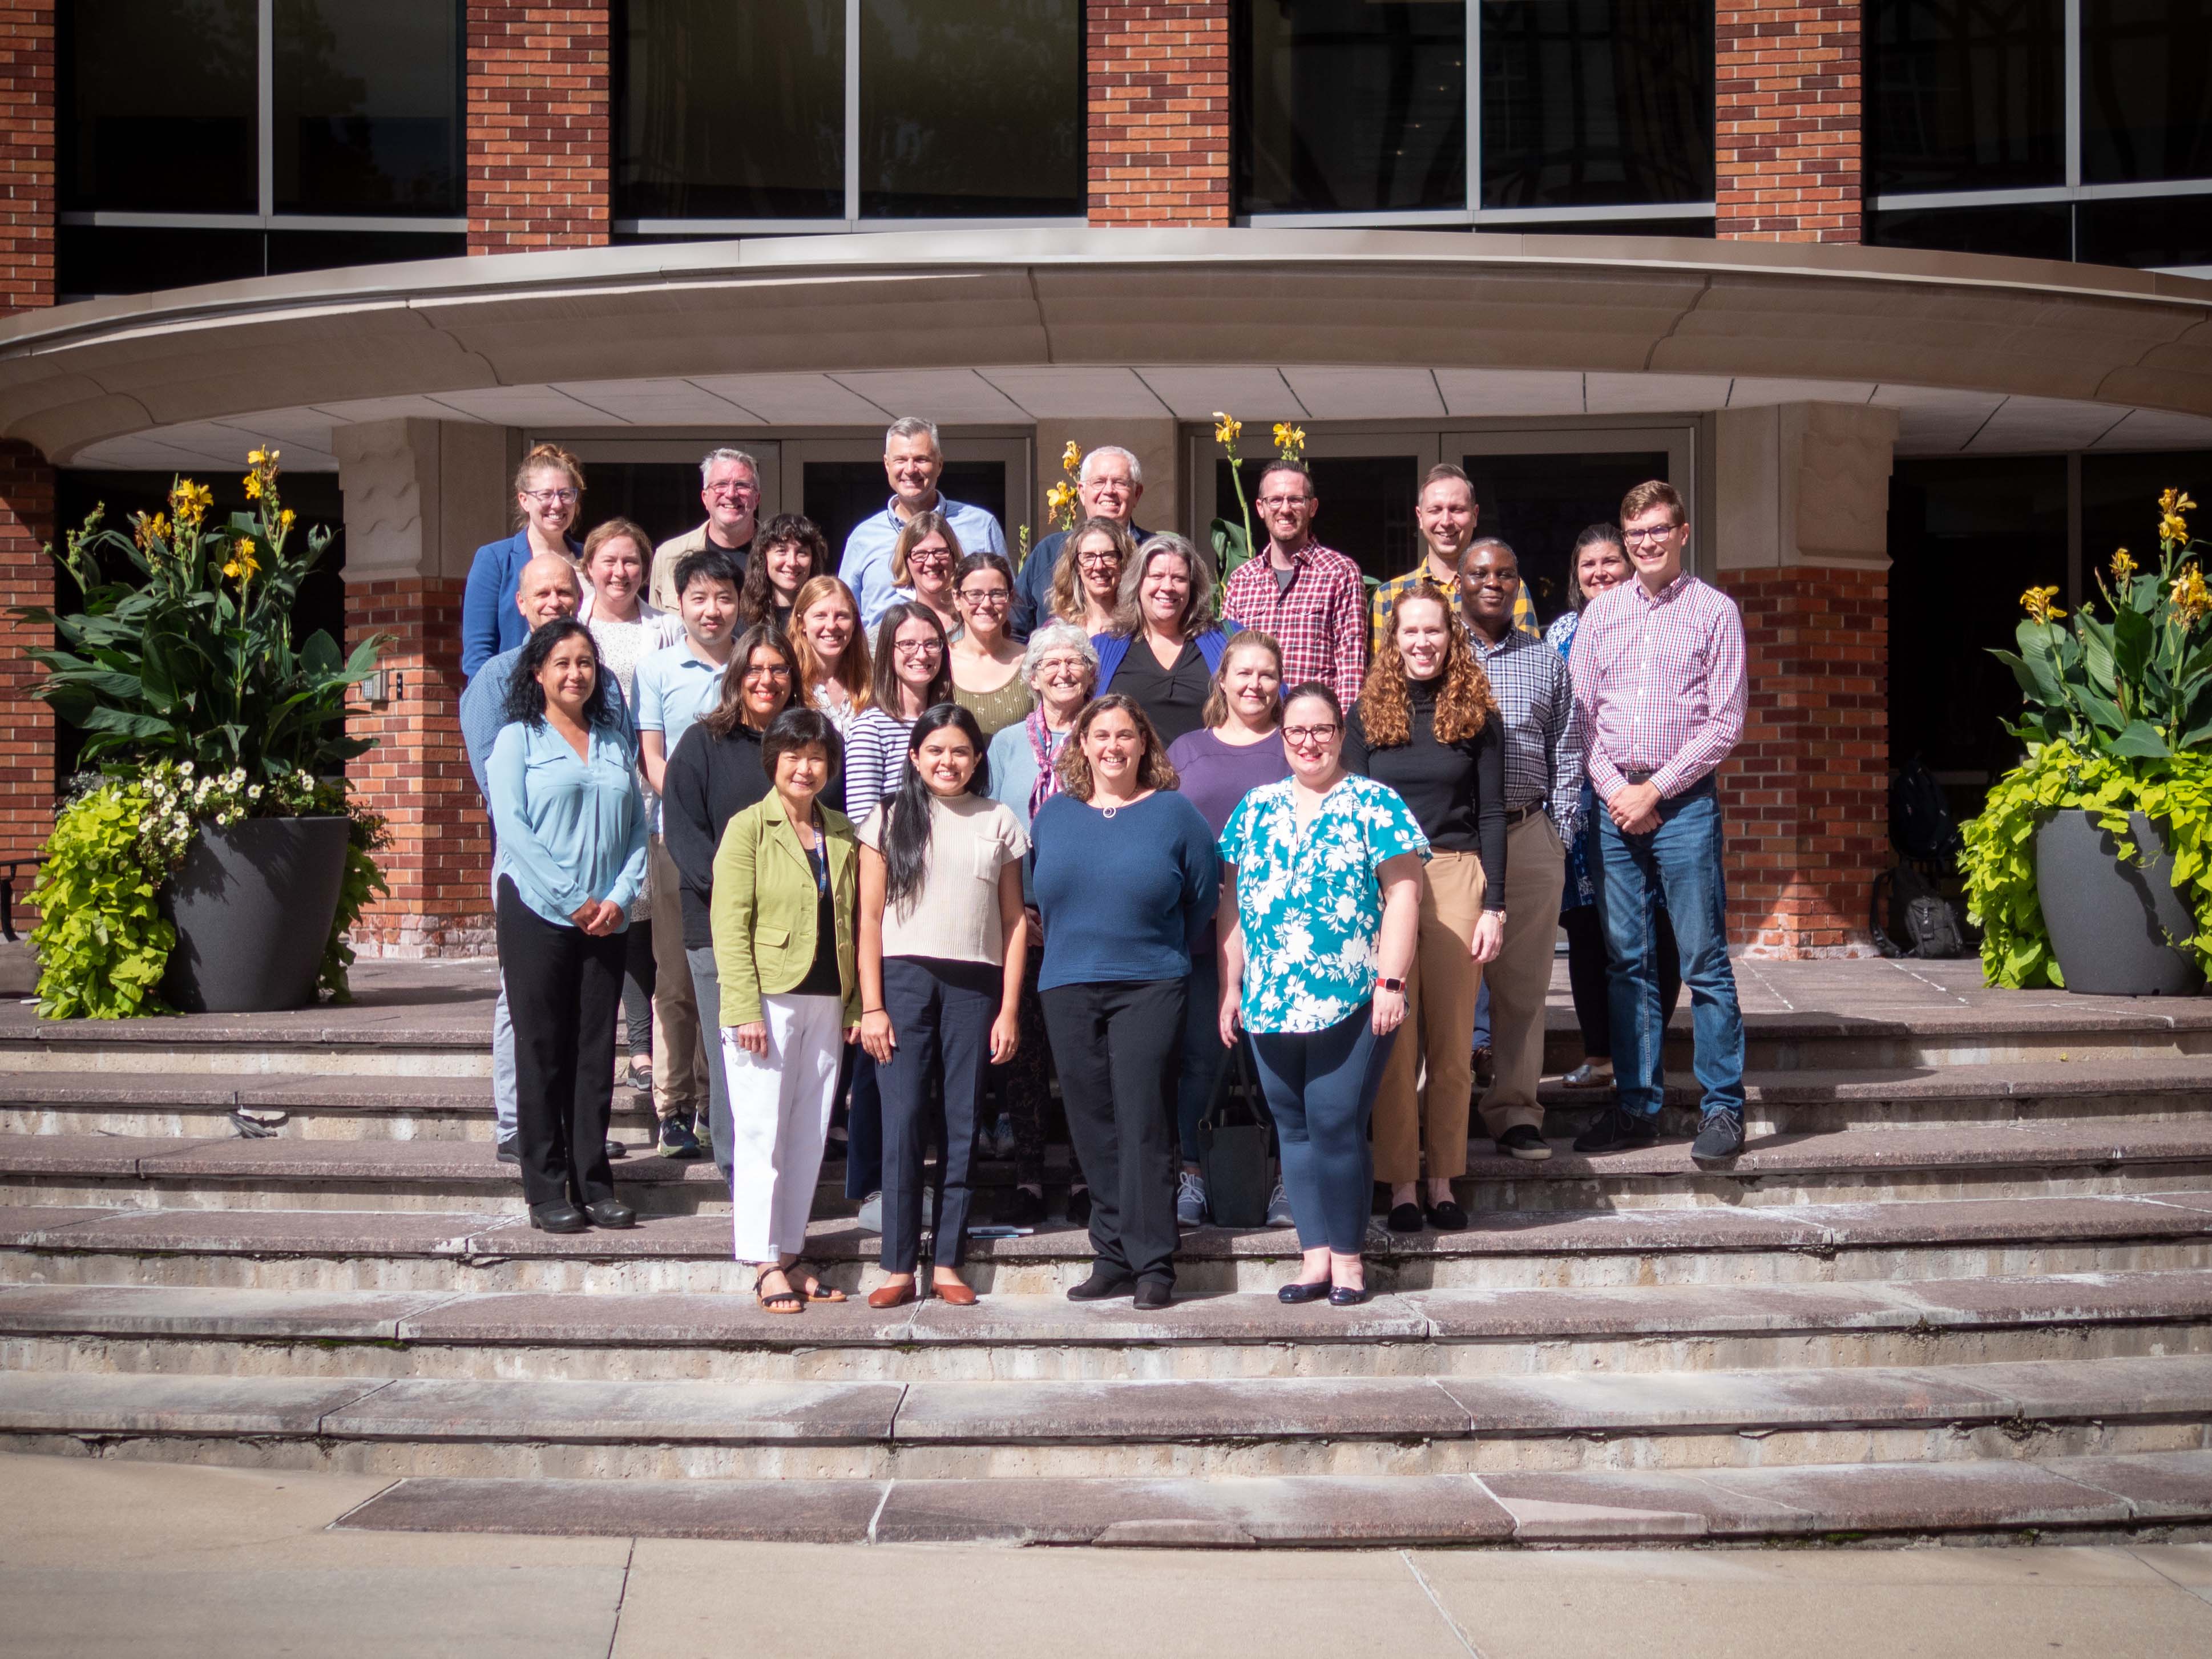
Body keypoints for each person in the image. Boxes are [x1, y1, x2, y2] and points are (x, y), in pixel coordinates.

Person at [1218, 684, 1426, 1307]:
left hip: (1353, 996)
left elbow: (1405, 897)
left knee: (1335, 1123)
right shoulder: (1254, 808)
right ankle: (1312, 1259)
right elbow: (1231, 903)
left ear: (1341, 733)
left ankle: (1349, 1261)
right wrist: (1230, 986)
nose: (1309, 743)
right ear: (1281, 738)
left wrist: (1392, 980)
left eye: (1322, 730)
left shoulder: (1375, 804)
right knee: (1294, 1130)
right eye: (1296, 732)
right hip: (1271, 999)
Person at [1569, 480, 1749, 1164]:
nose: (1646, 542)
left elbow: (1725, 722)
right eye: (1635, 532)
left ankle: (1723, 1108)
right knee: (1628, 963)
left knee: (1704, 960)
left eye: (1657, 531)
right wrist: (1619, 790)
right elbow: (1580, 718)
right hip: (1615, 807)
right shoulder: (1601, 615)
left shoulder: (1714, 612)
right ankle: (1637, 1105)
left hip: (1685, 804)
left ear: (1683, 533)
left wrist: (1656, 791)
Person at [1031, 696, 1217, 1310]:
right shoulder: (1053, 817)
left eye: (1125, 735)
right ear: (1081, 744)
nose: (1112, 746)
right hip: (1067, 982)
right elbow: (1041, 900)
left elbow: (1201, 900)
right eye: (1100, 735)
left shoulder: (1174, 814)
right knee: (1091, 1123)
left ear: (1144, 745)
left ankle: (1155, 1262)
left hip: (1149, 982)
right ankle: (1110, 1253)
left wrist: (1152, 946)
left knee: (1143, 1118)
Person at [1343, 584, 1507, 1229]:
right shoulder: (1364, 715)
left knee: (1451, 1043)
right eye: (1409, 632)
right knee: (1394, 1038)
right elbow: (1352, 809)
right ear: (1393, 639)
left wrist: (1496, 905)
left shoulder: (1476, 716)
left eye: (1434, 632)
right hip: (1385, 882)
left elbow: (1492, 813)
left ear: (1452, 637)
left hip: (1458, 875)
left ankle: (1442, 1179)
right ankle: (1401, 1183)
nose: (1422, 643)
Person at [459, 554, 631, 1167]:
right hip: (530, 870)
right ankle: (520, 1127)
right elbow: (499, 796)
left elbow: (622, 772)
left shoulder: (601, 680)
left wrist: (614, 886)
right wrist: (562, 889)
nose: (555, 601)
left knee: (587, 1027)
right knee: (526, 1008)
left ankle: (579, 1139)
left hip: (601, 872)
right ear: (521, 604)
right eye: (543, 593)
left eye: (565, 591)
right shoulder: (495, 683)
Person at [855, 704, 1028, 1308]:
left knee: (962, 1123)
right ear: (914, 757)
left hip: (975, 985)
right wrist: (872, 1006)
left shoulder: (999, 820)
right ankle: (899, 1266)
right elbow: (869, 919)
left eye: (959, 751)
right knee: (902, 1122)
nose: (947, 761)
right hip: (903, 980)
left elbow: (1013, 922)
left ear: (977, 759)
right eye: (935, 751)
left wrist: (1008, 1009)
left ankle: (949, 1259)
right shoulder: (888, 818)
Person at [486, 620, 648, 1233]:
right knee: (542, 1049)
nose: (575, 673)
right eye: (562, 663)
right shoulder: (517, 741)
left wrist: (619, 894)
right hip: (537, 912)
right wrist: (573, 898)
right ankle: (546, 1186)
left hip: (606, 918)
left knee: (593, 1052)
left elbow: (636, 828)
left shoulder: (613, 741)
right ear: (538, 673)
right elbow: (515, 831)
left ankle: (595, 1182)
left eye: (585, 662)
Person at [712, 707, 859, 1313]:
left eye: (817, 756)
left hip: (828, 996)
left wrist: (857, 1006)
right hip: (767, 1000)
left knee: (808, 1131)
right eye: (794, 755)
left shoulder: (843, 830)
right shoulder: (749, 827)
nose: (806, 767)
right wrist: (743, 1005)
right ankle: (762, 1260)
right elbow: (730, 922)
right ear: (773, 760)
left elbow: (854, 921)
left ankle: (792, 1252)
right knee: (761, 1131)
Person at [1458, 537, 1585, 1165]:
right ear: (1460, 580)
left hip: (1527, 831)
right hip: (1452, 842)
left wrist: (1558, 827)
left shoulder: (1545, 661)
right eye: (1480, 572)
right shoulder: (1436, 652)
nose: (1492, 582)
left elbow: (1567, 746)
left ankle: (1515, 1112)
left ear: (1518, 585)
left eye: (1505, 574)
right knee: (1448, 985)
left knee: (1524, 987)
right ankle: (1442, 1114)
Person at [662, 624, 800, 1185]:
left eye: (779, 669)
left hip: (796, 934)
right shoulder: (703, 745)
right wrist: (737, 902)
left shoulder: (806, 742)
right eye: (756, 669)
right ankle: (739, 1175)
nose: (767, 680)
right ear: (737, 676)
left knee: (785, 1061)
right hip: (719, 931)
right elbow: (686, 835)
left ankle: (783, 1178)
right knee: (734, 1062)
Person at [1164, 629, 1291, 1228]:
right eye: (1243, 673)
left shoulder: (1296, 745)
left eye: (1267, 674)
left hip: (1285, 933)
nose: (1255, 685)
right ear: (1222, 680)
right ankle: (1193, 1176)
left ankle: (1283, 1181)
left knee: (1282, 1058)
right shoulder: (1187, 749)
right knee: (1200, 1057)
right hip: (1198, 931)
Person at [1547, 524, 1681, 1088]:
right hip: (1580, 800)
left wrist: (1647, 791)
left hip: (1652, 796)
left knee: (1657, 925)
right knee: (1585, 929)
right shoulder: (1561, 633)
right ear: (1576, 576)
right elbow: (1559, 721)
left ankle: (1648, 1047)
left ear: (1630, 565)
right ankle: (1601, 1053)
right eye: (1588, 566)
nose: (1600, 573)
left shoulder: (1655, 623)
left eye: (1610, 562)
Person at [837, 602, 954, 1231]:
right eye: (906, 643)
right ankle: (878, 1186)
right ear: (886, 652)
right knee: (879, 1053)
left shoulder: (947, 719)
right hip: (894, 900)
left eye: (931, 641)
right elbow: (864, 820)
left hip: (949, 907)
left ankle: (926, 1180)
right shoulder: (873, 726)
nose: (920, 652)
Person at [984, 623, 1098, 1226]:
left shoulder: (1106, 731)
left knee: (1080, 1052)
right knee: (1024, 1050)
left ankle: (1084, 1177)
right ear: (1031, 677)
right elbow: (994, 823)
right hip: (1018, 913)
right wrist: (1017, 909)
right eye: (1049, 664)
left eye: (1074, 663)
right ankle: (1029, 1176)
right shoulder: (1005, 743)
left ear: (1090, 674)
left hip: (1089, 914)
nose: (1062, 672)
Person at [633, 548, 743, 1161]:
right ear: (679, 604)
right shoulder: (657, 671)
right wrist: (685, 811)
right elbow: (652, 755)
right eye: (699, 598)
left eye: (723, 597)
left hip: (747, 840)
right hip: (676, 837)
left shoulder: (754, 663)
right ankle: (672, 1105)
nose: (712, 610)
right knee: (676, 975)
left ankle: (712, 1102)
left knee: (729, 977)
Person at [582, 518, 684, 1095]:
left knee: (656, 920)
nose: (620, 572)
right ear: (589, 567)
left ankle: (655, 1045)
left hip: (654, 785)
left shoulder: (665, 629)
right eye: (609, 561)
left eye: (630, 563)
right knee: (621, 916)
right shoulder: (575, 629)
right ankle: (639, 1047)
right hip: (599, 791)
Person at [1218, 458, 1367, 708]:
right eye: (1275, 500)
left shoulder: (1340, 573)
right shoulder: (1242, 580)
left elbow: (1351, 669)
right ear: (1260, 507)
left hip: (1312, 731)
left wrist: (1340, 734)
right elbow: (1226, 663)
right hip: (1253, 728)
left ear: (1313, 507)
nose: (1285, 509)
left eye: (1295, 500)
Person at [839, 417, 1008, 627]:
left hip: (963, 654)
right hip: (879, 656)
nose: (910, 469)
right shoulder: (863, 538)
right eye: (900, 460)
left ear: (939, 464)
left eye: (921, 460)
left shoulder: (981, 527)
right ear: (887, 464)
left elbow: (1007, 603)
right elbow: (844, 612)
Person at [1370, 463, 1538, 657]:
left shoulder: (1505, 589)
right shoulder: (1389, 596)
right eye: (1435, 510)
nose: (1446, 522)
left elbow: (1527, 668)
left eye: (1457, 510)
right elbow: (1384, 678)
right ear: (1420, 518)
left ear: (1475, 515)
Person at [1092, 533, 1228, 749]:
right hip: (1131, 780)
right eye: (1156, 576)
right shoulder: (1101, 649)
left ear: (1193, 587)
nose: (1168, 587)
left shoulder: (1225, 641)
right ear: (1138, 584)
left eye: (1179, 578)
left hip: (1208, 779)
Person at [461, 444, 586, 677]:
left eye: (566, 494)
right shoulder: (496, 560)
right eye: (546, 495)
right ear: (524, 500)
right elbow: (478, 657)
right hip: (517, 700)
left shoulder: (590, 560)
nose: (557, 505)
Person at [1012, 446, 1153, 636]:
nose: (1109, 491)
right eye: (1099, 482)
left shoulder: (1155, 554)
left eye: (1120, 483)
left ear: (1137, 494)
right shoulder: (1049, 553)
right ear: (1081, 492)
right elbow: (1014, 630)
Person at [652, 447, 761, 610]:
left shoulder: (782, 559)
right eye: (721, 484)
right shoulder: (669, 557)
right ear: (705, 498)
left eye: (742, 485)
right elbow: (658, 630)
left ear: (757, 498)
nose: (731, 494)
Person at [948, 551, 1035, 738]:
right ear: (957, 599)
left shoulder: (1032, 662)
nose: (986, 604)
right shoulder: (940, 663)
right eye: (975, 594)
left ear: (1010, 598)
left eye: (997, 594)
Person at [788, 575, 872, 733]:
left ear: (854, 623)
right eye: (820, 616)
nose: (832, 626)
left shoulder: (871, 684)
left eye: (842, 616)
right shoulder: (788, 684)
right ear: (801, 623)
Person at [740, 513, 827, 637]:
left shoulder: (826, 615)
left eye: (802, 553)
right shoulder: (742, 616)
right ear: (763, 557)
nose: (792, 562)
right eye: (782, 551)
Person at [1047, 516, 1135, 637]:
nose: (1099, 566)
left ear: (1123, 562)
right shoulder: (1057, 633)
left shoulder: (1140, 628)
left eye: (1109, 556)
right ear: (1076, 566)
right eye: (1089, 557)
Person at [890, 511, 963, 641]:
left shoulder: (974, 622)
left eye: (940, 552)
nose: (931, 562)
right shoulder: (895, 629)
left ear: (954, 556)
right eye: (920, 554)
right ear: (905, 561)